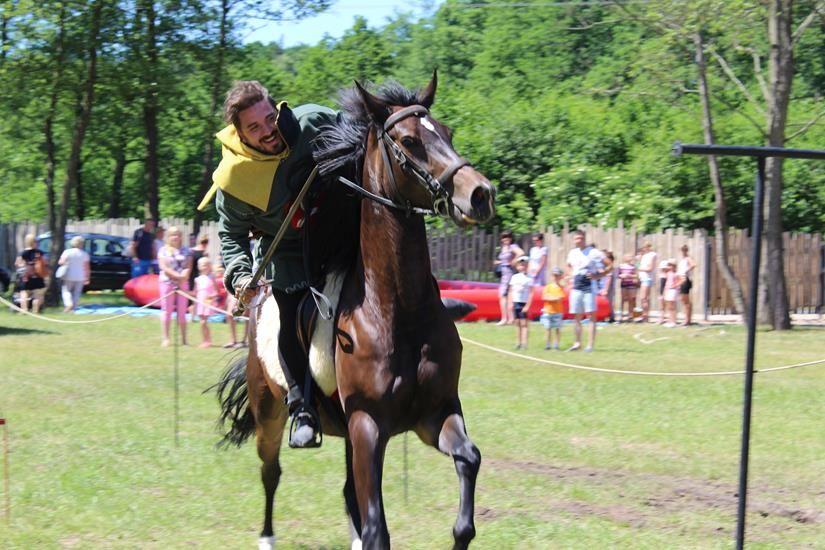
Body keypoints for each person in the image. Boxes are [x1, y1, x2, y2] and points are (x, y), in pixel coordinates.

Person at [196, 80, 341, 447]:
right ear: (240, 134)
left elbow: (361, 137)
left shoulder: (313, 122)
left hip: (339, 235)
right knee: (288, 319)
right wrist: (241, 275)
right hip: (287, 256)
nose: (268, 131)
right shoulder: (234, 177)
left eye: (269, 118)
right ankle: (302, 409)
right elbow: (231, 235)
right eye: (254, 128)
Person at [566, 230, 603, 352]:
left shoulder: (593, 252)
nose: (579, 240)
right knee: (576, 315)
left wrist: (597, 276)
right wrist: (570, 277)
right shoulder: (572, 253)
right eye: (577, 238)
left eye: (581, 238)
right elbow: (568, 266)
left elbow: (608, 264)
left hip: (589, 286)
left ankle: (590, 345)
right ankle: (577, 343)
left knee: (591, 315)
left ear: (584, 238)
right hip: (577, 285)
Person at [157, 226, 192, 347]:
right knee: (167, 311)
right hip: (167, 283)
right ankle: (166, 338)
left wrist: (183, 277)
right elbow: (164, 267)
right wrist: (177, 276)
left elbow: (188, 266)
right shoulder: (163, 251)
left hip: (182, 283)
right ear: (168, 237)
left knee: (182, 312)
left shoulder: (187, 250)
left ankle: (184, 339)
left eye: (177, 234)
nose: (175, 237)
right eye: (173, 235)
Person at [494, 230, 524, 326]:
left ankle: (504, 318)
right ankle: (510, 318)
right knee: (507, 295)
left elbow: (521, 253)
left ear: (511, 238)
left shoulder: (512, 247)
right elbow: (504, 260)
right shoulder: (504, 247)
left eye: (507, 237)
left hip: (508, 272)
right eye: (503, 237)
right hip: (503, 272)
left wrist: (514, 261)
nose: (505, 239)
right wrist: (499, 262)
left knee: (503, 295)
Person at [14, 234, 48, 313]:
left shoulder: (23, 253)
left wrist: (24, 267)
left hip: (26, 277)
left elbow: (17, 264)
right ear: (35, 242)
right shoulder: (40, 253)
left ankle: (24, 309)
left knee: (24, 293)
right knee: (38, 295)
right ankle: (35, 310)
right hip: (38, 276)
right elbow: (45, 263)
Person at [57, 235, 90, 312]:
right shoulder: (84, 254)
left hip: (68, 274)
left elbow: (61, 262)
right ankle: (73, 308)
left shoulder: (67, 252)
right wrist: (87, 278)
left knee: (66, 290)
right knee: (77, 293)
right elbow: (87, 268)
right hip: (80, 276)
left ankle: (68, 304)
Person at [194, 256, 219, 348]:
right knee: (202, 322)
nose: (203, 267)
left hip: (208, 302)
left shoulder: (211, 278)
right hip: (200, 302)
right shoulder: (198, 279)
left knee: (203, 322)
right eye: (201, 265)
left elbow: (216, 292)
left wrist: (211, 296)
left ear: (209, 266)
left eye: (205, 265)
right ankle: (205, 340)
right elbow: (194, 292)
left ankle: (207, 340)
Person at [509, 256, 533, 349]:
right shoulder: (514, 277)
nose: (522, 266)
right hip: (516, 302)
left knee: (524, 324)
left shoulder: (529, 278)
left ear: (527, 266)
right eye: (520, 265)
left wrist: (527, 306)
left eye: (524, 265)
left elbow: (531, 293)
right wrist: (510, 303)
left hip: (524, 303)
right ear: (517, 266)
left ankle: (525, 343)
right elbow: (511, 291)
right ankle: (518, 342)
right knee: (517, 323)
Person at [541, 267, 566, 350]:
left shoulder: (561, 288)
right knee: (547, 328)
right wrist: (553, 298)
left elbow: (559, 298)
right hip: (548, 311)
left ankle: (556, 345)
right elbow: (545, 297)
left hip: (557, 312)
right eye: (554, 275)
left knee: (557, 328)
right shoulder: (548, 287)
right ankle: (547, 344)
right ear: (552, 276)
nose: (556, 277)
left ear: (560, 277)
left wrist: (551, 298)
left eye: (558, 276)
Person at [637, 242, 657, 322]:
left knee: (644, 298)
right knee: (643, 298)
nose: (643, 249)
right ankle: (644, 315)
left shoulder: (652, 255)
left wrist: (640, 269)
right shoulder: (644, 256)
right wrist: (639, 260)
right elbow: (637, 266)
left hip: (647, 278)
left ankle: (645, 316)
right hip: (642, 278)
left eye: (645, 247)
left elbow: (650, 268)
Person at [677, 244, 696, 326]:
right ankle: (687, 319)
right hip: (681, 280)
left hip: (685, 279)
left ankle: (687, 320)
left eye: (684, 250)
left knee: (686, 300)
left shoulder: (688, 258)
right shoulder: (682, 260)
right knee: (683, 300)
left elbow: (693, 265)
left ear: (686, 250)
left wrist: (686, 271)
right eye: (682, 250)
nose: (683, 252)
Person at [617, 254, 639, 322]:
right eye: (629, 256)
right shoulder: (621, 266)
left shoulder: (633, 266)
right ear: (624, 258)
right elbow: (618, 275)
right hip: (624, 284)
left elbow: (636, 275)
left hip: (631, 284)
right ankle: (621, 315)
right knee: (623, 299)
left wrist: (629, 275)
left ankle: (630, 316)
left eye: (631, 257)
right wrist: (621, 276)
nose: (630, 257)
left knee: (631, 300)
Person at [598, 250, 615, 323]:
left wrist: (606, 289)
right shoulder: (603, 267)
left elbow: (609, 278)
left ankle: (611, 317)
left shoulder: (609, 268)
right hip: (602, 287)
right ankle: (603, 316)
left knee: (608, 302)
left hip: (608, 288)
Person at [662, 259, 679, 327]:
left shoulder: (676, 274)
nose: (669, 266)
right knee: (669, 306)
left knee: (672, 306)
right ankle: (670, 321)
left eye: (671, 265)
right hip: (668, 290)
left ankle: (673, 321)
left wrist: (675, 285)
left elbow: (680, 281)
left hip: (673, 290)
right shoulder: (668, 273)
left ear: (674, 266)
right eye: (669, 265)